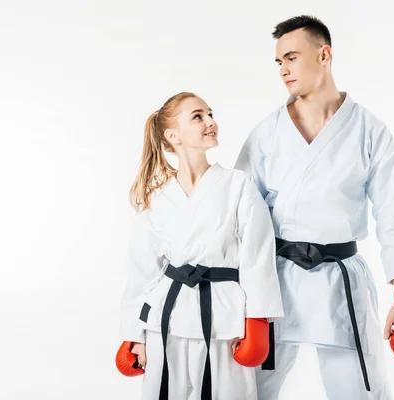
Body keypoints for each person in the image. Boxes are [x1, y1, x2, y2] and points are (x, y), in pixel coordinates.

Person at [234, 15, 394, 400]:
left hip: (340, 281)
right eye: (278, 62)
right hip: (275, 281)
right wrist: (237, 296)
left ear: (324, 54)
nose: (283, 70)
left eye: (291, 57)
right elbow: (238, 216)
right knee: (247, 388)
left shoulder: (368, 131)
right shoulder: (267, 132)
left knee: (359, 389)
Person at [116, 92, 285, 400]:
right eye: (198, 116)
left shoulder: (238, 185)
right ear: (173, 135)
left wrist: (258, 321)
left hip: (224, 320)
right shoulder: (158, 197)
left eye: (210, 114)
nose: (211, 122)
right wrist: (133, 335)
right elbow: (142, 271)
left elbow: (258, 257)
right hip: (166, 320)